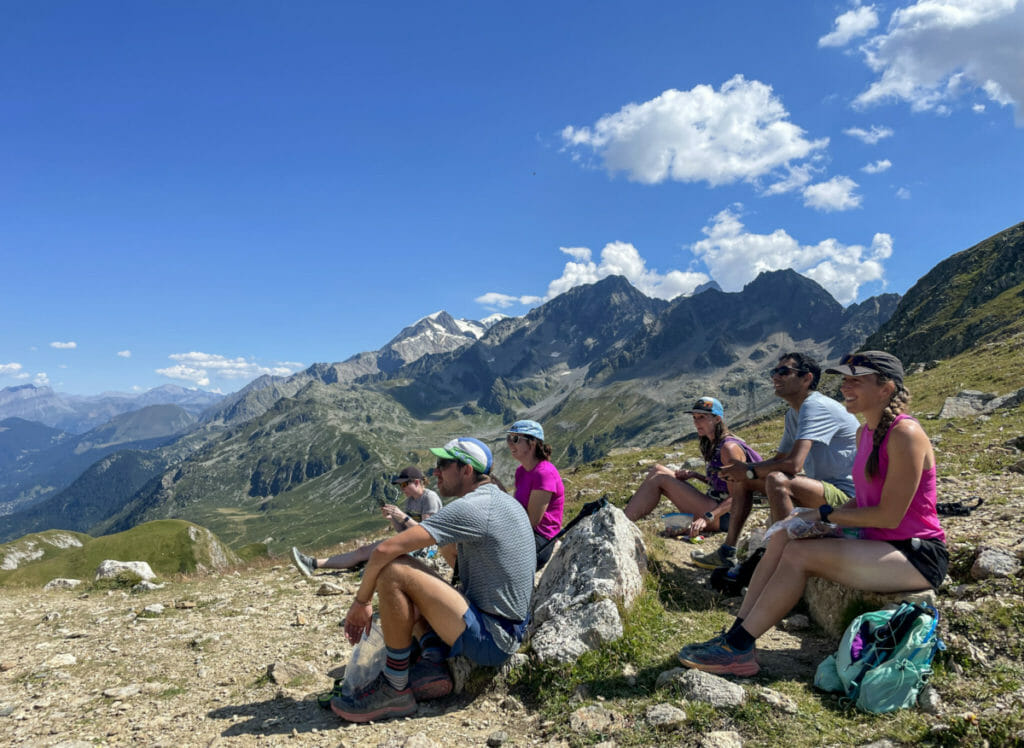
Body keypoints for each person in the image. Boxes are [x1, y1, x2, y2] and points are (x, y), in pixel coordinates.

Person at [678, 351, 948, 677]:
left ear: (885, 388)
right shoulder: (866, 434)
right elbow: (860, 500)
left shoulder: (906, 434)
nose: (845, 386)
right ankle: (736, 638)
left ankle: (738, 647)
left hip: (915, 554)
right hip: (876, 543)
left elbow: (888, 516)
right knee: (782, 535)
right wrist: (808, 518)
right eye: (844, 379)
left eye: (855, 380)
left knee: (798, 554)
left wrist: (824, 515)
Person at [330, 437, 535, 723]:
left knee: (393, 570)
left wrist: (361, 603)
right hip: (502, 624)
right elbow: (455, 560)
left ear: (466, 471)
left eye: (442, 464)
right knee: (412, 577)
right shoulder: (497, 499)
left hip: (493, 639)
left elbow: (384, 551)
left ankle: (395, 687)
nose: (435, 471)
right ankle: (432, 654)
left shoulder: (474, 507)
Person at [716, 352, 860, 550]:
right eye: (774, 371)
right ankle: (728, 550)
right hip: (823, 489)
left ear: (806, 378)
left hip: (847, 497)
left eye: (784, 372)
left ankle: (782, 551)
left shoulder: (814, 406)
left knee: (776, 480)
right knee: (745, 480)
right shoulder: (795, 412)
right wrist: (744, 472)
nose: (776, 377)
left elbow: (793, 464)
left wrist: (748, 469)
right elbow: (780, 459)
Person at [624, 397, 763, 570]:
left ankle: (622, 524)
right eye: (695, 418)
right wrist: (696, 476)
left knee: (661, 479)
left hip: (725, 516)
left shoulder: (728, 448)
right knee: (657, 469)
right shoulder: (716, 443)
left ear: (717, 419)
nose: (697, 422)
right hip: (716, 506)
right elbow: (723, 483)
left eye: (702, 417)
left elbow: (738, 496)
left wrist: (707, 518)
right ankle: (622, 520)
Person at [290, 466, 442, 577]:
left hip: (425, 548)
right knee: (363, 551)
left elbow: (427, 533)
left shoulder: (429, 498)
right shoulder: (410, 501)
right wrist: (393, 519)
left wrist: (403, 517)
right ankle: (313, 563)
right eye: (400, 486)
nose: (402, 489)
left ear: (416, 482)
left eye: (404, 484)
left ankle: (316, 564)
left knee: (376, 554)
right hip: (410, 541)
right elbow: (404, 532)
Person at [506, 419, 565, 568]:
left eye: (515, 439)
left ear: (532, 443)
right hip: (525, 534)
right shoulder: (521, 471)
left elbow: (532, 521)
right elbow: (517, 508)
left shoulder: (544, 473)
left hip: (540, 540)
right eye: (509, 438)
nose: (510, 444)